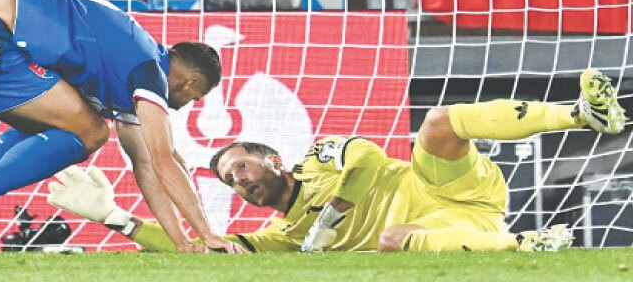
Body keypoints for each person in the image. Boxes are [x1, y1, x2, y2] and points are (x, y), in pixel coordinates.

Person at [47, 68, 627, 252]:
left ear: (273, 158)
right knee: (395, 242)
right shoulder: (279, 236)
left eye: (243, 167)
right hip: (446, 228)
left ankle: (581, 114)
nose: (240, 182)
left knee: (437, 124)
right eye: (229, 181)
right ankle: (526, 245)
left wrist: (335, 213)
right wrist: (116, 218)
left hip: (445, 184)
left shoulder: (321, 155)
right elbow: (203, 253)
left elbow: (371, 160)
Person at [0, 0, 244, 255]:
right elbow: (165, 159)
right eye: (194, 99)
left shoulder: (126, 65)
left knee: (52, 125)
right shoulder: (149, 72)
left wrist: (183, 243)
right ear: (191, 82)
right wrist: (209, 234)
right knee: (92, 132)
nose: (186, 106)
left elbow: (145, 165)